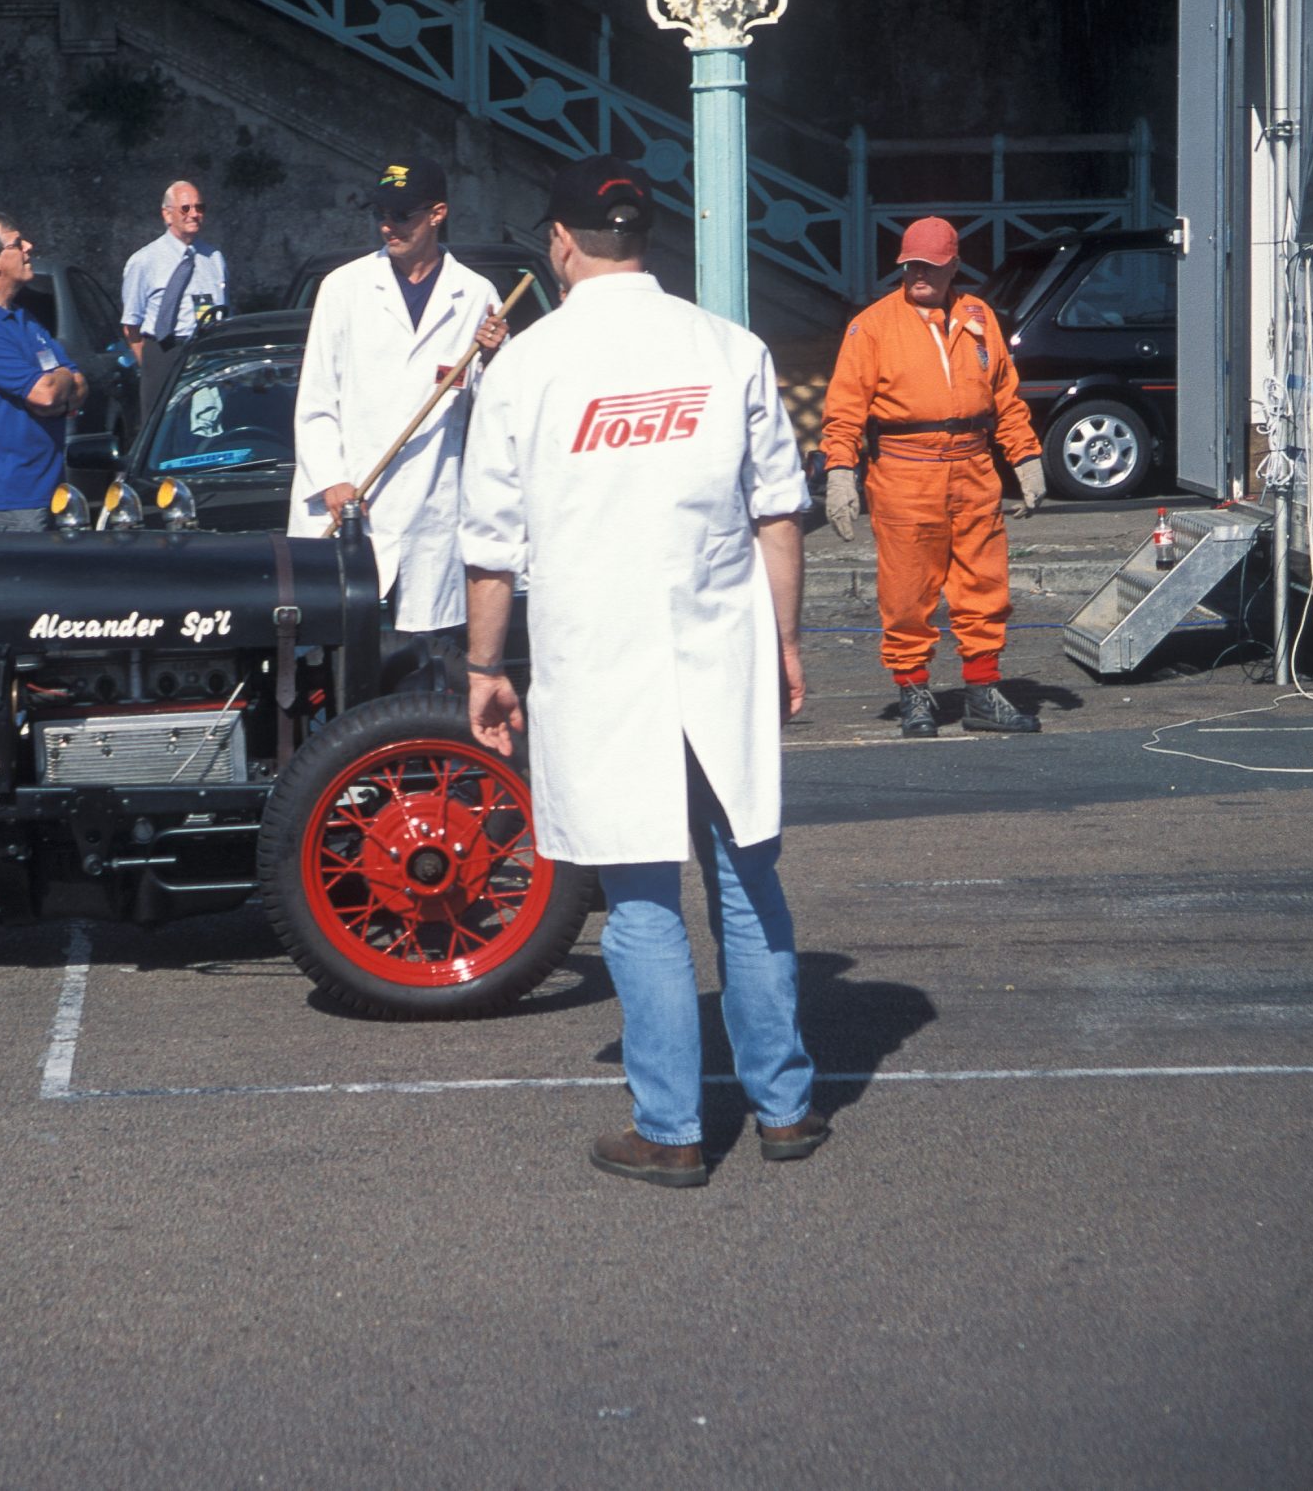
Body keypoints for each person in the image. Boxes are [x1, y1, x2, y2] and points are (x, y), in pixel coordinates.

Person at [461, 155, 825, 1190]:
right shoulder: (729, 348)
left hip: (599, 660)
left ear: (561, 244)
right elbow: (777, 514)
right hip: (721, 646)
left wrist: (485, 664)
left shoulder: (526, 367)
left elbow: (491, 544)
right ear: (645, 238)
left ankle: (670, 1127)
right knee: (746, 874)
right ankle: (786, 1107)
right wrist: (787, 643)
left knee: (640, 892)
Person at [821, 217, 1048, 737]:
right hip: (905, 471)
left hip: (973, 467)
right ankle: (914, 693)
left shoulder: (977, 315)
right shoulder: (873, 326)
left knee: (984, 588)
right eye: (911, 265)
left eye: (930, 265)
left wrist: (1026, 457)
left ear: (953, 267)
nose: (919, 274)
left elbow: (1005, 397)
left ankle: (983, 693)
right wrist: (840, 471)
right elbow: (845, 409)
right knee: (906, 593)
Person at [286, 161, 507, 660]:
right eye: (382, 213)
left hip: (430, 513)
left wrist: (495, 357)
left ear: (438, 215)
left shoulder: (475, 295)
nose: (389, 226)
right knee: (338, 665)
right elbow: (317, 400)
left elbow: (496, 414)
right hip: (348, 507)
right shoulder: (344, 288)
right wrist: (332, 481)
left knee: (424, 665)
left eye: (402, 215)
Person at [0, 212, 84, 532]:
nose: (29, 247)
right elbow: (46, 394)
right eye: (17, 243)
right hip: (9, 504)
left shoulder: (24, 319)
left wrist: (60, 382)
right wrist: (59, 384)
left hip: (50, 493)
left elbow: (78, 382)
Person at [118, 179, 230, 424]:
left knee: (206, 426)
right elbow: (131, 325)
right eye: (186, 208)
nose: (194, 214)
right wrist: (151, 365)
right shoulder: (144, 261)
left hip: (205, 353)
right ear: (167, 215)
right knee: (162, 428)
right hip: (164, 351)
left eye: (199, 208)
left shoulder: (214, 258)